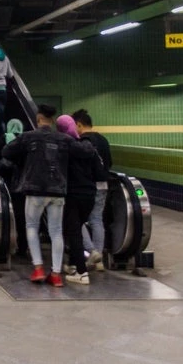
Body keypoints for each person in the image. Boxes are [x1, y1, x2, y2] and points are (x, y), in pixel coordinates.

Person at [2, 104, 96, 287]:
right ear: (53, 120)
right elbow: (86, 151)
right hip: (58, 191)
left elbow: (6, 152)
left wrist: (25, 160)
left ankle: (38, 268)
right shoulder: (63, 139)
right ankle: (55, 274)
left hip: (35, 189)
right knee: (56, 231)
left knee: (31, 226)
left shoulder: (28, 137)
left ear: (38, 119)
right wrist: (86, 140)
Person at [57, 114, 107, 285]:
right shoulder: (92, 146)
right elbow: (101, 168)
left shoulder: (66, 147)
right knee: (89, 223)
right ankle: (87, 261)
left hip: (72, 193)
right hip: (92, 192)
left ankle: (81, 270)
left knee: (74, 231)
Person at [72, 109, 111, 270]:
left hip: (87, 186)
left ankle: (91, 251)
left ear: (79, 124)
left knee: (76, 220)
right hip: (103, 184)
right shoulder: (103, 140)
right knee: (97, 220)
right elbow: (110, 162)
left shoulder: (83, 141)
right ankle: (99, 260)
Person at [0, 118, 27, 258]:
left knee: (6, 213)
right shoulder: (26, 140)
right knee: (23, 218)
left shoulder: (4, 138)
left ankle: (6, 243)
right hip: (23, 185)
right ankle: (23, 247)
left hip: (5, 182)